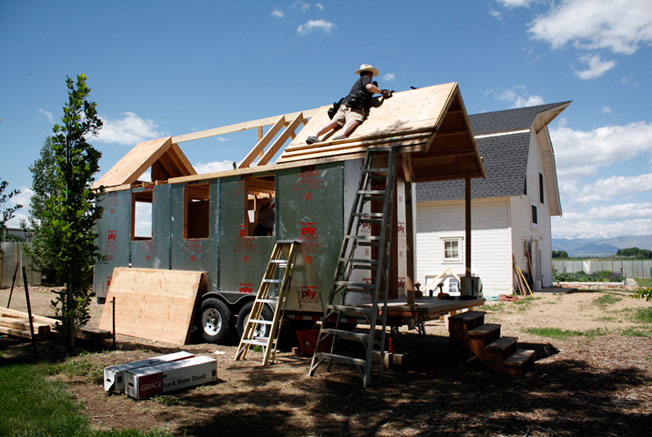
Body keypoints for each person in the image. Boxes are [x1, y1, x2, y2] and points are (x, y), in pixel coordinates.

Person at [306, 64, 392, 145]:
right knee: (356, 119)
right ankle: (342, 135)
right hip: (355, 104)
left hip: (345, 104)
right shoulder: (366, 77)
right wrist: (381, 92)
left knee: (335, 122)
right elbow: (369, 87)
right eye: (372, 74)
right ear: (369, 73)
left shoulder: (358, 83)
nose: (372, 76)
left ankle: (314, 136)